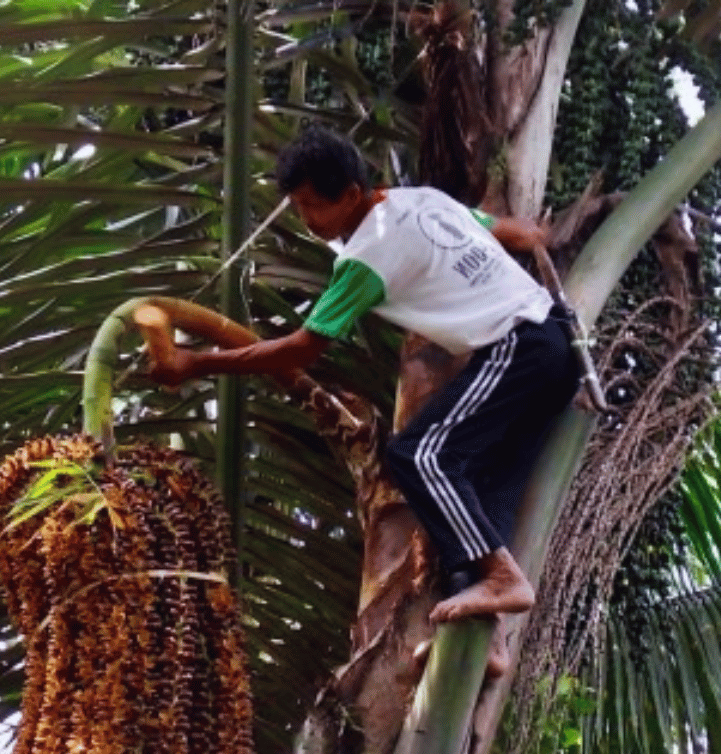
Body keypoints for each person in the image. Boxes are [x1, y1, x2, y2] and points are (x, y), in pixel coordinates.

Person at [149, 125, 580, 625]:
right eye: (298, 207)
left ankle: (504, 579)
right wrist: (528, 233)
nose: (307, 220)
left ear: (351, 194)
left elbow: (302, 348)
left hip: (519, 347)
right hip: (556, 345)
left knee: (418, 454)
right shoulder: (420, 199)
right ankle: (490, 633)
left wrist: (195, 363)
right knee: (473, 497)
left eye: (313, 206)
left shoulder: (366, 256)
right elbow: (496, 228)